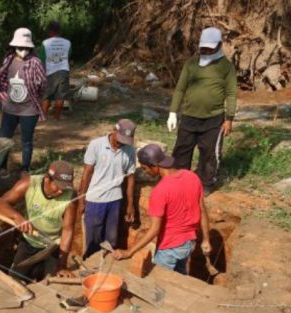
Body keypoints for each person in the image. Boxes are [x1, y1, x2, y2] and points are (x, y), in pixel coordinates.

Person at [113, 144, 211, 275]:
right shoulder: (192, 177)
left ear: (155, 166)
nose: (145, 172)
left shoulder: (160, 191)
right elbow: (202, 211)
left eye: (145, 168)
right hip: (189, 243)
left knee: (160, 280)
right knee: (179, 276)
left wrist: (129, 252)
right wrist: (206, 239)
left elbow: (155, 229)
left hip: (169, 247)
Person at [167, 27, 237, 195]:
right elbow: (180, 89)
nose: (205, 51)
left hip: (214, 119)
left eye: (209, 48)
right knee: (182, 149)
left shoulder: (226, 67)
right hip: (189, 117)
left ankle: (206, 183)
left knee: (209, 153)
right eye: (203, 47)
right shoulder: (191, 64)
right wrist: (172, 113)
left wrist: (229, 118)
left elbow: (231, 93)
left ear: (219, 45)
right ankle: (178, 180)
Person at [0, 160, 77, 282]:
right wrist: (17, 217)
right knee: (14, 280)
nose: (61, 191)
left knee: (52, 281)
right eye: (58, 186)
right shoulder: (30, 183)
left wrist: (62, 265)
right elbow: (0, 204)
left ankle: (43, 269)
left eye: (64, 188)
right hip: (29, 241)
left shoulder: (70, 196)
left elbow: (68, 229)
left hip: (53, 246)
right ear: (47, 178)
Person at [0, 28, 47, 173]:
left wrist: (37, 92)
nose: (23, 50)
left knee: (26, 141)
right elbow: (1, 79)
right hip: (10, 109)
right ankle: (1, 167)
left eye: (26, 47)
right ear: (14, 46)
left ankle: (25, 168)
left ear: (30, 47)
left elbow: (44, 84)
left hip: (29, 110)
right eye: (20, 47)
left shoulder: (36, 62)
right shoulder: (8, 60)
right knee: (4, 140)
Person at [77, 119, 136, 258]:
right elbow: (86, 174)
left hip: (115, 201)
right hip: (95, 201)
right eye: (120, 138)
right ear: (114, 130)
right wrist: (81, 199)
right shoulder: (96, 145)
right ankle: (90, 267)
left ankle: (108, 268)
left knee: (111, 240)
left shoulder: (129, 150)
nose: (122, 143)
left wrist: (130, 205)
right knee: (93, 241)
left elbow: (130, 178)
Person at [39, 21, 71, 120]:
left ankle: (44, 116)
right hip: (63, 71)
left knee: (46, 95)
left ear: (50, 31)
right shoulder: (67, 42)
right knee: (60, 96)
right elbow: (68, 57)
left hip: (49, 71)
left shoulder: (45, 43)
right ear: (59, 31)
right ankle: (57, 117)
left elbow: (42, 59)